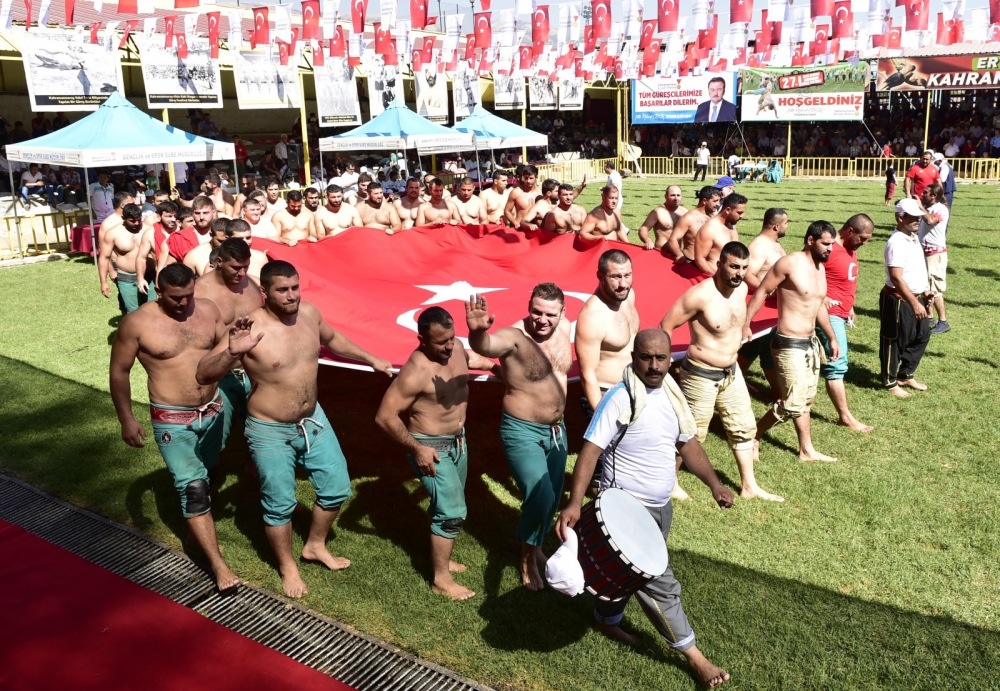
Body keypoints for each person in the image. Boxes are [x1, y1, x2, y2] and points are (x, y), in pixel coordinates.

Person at [196, 260, 392, 598]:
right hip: (269, 429)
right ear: (265, 292)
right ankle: (288, 566)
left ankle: (315, 545)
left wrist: (371, 358)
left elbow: (334, 339)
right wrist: (232, 352)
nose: (291, 296)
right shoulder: (249, 328)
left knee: (336, 488)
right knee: (280, 504)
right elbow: (203, 373)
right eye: (282, 290)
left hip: (313, 420)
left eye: (295, 288)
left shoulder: (310, 314)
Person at [555, 328, 733, 690]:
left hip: (660, 509)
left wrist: (714, 484)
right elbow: (590, 450)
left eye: (661, 358)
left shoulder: (671, 393)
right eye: (646, 358)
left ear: (671, 358)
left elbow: (688, 444)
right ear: (633, 358)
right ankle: (695, 657)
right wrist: (575, 501)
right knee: (659, 584)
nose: (654, 366)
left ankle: (606, 618)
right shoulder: (620, 398)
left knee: (624, 575)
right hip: (624, 513)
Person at [109, 263, 242, 593]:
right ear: (158, 289)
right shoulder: (137, 324)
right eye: (175, 298)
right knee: (193, 487)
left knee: (209, 472)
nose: (183, 304)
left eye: (188, 295)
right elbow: (119, 372)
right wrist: (126, 417)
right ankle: (219, 566)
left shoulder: (208, 309)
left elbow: (228, 345)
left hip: (213, 410)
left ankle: (194, 538)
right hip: (172, 419)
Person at [375, 308, 498, 601]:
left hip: (459, 443)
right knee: (452, 511)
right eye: (441, 342)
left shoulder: (455, 351)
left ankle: (444, 560)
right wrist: (417, 449)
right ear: (421, 339)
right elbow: (385, 416)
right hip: (431, 448)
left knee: (449, 503)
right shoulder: (416, 371)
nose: (449, 346)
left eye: (452, 338)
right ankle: (440, 579)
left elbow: (473, 359)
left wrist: (497, 368)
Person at [466, 284, 573, 591]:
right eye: (536, 311)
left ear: (563, 313)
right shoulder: (514, 336)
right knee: (539, 497)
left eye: (550, 314)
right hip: (522, 431)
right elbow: (486, 344)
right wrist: (476, 332)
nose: (542, 319)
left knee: (551, 498)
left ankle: (537, 545)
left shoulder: (563, 328)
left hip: (557, 431)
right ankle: (526, 558)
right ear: (528, 306)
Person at [661, 242, 782, 501]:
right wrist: (664, 365)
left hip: (732, 372)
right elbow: (665, 325)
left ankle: (749, 486)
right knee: (690, 433)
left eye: (744, 268)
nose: (739, 273)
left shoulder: (742, 290)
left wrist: (746, 326)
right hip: (700, 374)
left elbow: (737, 319)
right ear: (720, 264)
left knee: (744, 427)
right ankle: (668, 483)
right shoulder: (699, 296)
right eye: (734, 267)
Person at [745, 221, 841, 462]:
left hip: (810, 343)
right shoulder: (789, 263)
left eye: (832, 244)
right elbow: (761, 292)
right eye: (826, 244)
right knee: (793, 402)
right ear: (811, 240)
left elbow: (817, 305)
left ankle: (806, 450)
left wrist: (831, 337)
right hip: (788, 342)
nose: (830, 249)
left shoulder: (820, 268)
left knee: (806, 399)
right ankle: (753, 436)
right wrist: (745, 324)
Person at [574, 249, 641, 494]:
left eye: (627, 275)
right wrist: (602, 415)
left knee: (627, 459)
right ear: (600, 276)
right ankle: (594, 517)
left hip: (632, 389)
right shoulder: (593, 316)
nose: (623, 283)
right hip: (604, 394)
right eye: (615, 277)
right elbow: (587, 374)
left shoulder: (628, 296)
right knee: (603, 469)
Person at [194, 237, 264, 443]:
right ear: (219, 262)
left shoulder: (253, 285)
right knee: (215, 437)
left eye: (246, 267)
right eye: (235, 267)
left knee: (259, 432)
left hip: (255, 370)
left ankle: (254, 471)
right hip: (220, 376)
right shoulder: (199, 292)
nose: (242, 273)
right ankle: (207, 473)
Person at [818, 214, 875, 432]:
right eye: (863, 238)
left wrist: (849, 306)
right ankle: (845, 416)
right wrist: (822, 298)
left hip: (841, 314)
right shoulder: (829, 250)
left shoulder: (850, 250)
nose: (865, 243)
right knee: (836, 365)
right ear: (850, 231)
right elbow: (813, 273)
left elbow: (844, 280)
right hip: (829, 316)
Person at [880, 198, 934, 398]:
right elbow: (896, 277)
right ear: (900, 217)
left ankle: (906, 374)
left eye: (920, 217)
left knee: (922, 335)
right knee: (894, 340)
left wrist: (924, 291)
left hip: (915, 296)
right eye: (914, 217)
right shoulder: (896, 242)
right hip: (898, 299)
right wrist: (914, 303)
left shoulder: (912, 237)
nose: (918, 220)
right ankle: (890, 381)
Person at [739, 208, 787, 397]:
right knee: (768, 350)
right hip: (762, 308)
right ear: (776, 225)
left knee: (751, 347)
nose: (787, 226)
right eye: (786, 223)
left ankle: (736, 379)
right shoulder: (759, 246)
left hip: (771, 309)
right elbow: (747, 274)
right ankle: (779, 393)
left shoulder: (774, 243)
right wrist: (767, 290)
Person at [98, 203, 149, 313]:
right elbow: (104, 257)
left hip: (149, 276)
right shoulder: (113, 233)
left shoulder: (149, 230)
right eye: (132, 221)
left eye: (139, 220)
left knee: (154, 311)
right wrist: (103, 282)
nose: (136, 223)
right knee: (134, 314)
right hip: (127, 278)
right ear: (123, 218)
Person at [918, 182, 951, 335]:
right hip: (925, 253)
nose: (922, 194)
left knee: (935, 289)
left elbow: (931, 221)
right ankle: (929, 317)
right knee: (925, 287)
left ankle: (943, 321)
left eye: (925, 193)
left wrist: (919, 206)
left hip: (935, 255)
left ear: (934, 196)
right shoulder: (930, 208)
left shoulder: (940, 209)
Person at [692, 193, 746, 275]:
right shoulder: (709, 229)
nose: (742, 216)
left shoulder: (732, 226)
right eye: (739, 213)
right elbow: (700, 260)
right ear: (728, 210)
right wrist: (717, 279)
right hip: (714, 278)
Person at [666, 186, 721, 263]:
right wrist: (679, 255)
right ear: (705, 201)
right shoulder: (689, 218)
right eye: (715, 201)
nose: (718, 204)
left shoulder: (714, 218)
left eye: (719, 201)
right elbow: (673, 240)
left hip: (708, 264)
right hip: (691, 262)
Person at [637, 185, 686, 251]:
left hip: (680, 254)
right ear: (665, 196)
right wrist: (648, 240)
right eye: (672, 195)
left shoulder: (685, 212)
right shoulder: (658, 212)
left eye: (678, 195)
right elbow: (643, 229)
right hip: (662, 253)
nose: (676, 198)